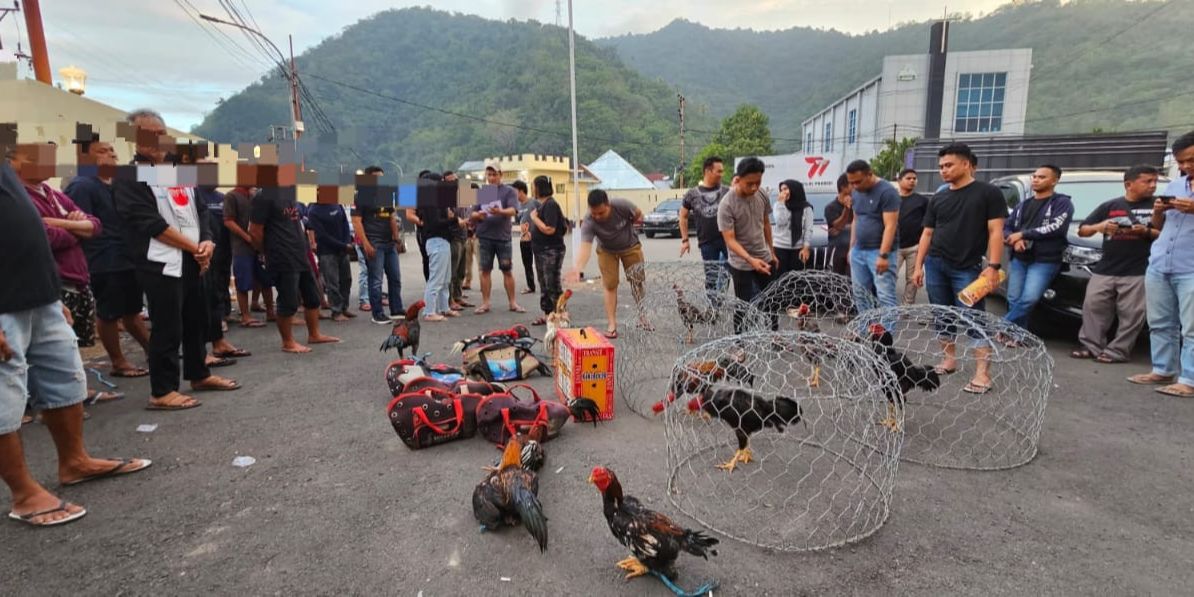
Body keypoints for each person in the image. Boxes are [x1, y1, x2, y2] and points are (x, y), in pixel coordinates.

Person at [0, 158, 151, 527]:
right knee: (4, 398)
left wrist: (50, 292)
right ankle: (24, 493)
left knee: (65, 380)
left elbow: (31, 232)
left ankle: (74, 462)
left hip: (42, 296)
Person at [113, 109, 239, 410]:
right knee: (168, 326)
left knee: (197, 320)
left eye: (161, 132)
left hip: (194, 259)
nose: (157, 139)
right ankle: (162, 390)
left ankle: (199, 373)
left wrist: (206, 241)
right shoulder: (129, 176)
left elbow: (202, 211)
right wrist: (192, 247)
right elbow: (149, 223)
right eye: (148, 133)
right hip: (160, 262)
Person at [12, 142, 122, 407]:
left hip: (74, 277)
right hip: (47, 281)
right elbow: (39, 237)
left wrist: (62, 224)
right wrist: (75, 229)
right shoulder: (16, 197)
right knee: (32, 350)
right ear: (13, 162)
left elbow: (94, 226)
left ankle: (71, 395)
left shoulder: (51, 193)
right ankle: (28, 403)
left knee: (65, 346)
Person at [911, 143, 1007, 395]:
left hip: (967, 268)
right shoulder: (939, 197)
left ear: (966, 164)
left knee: (974, 319)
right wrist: (918, 266)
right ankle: (949, 360)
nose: (944, 170)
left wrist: (994, 267)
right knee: (941, 314)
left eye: (949, 165)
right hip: (935, 264)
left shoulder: (988, 193)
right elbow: (927, 233)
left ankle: (982, 374)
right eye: (941, 166)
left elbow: (996, 231)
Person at [65, 138, 150, 379]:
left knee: (132, 311)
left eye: (112, 150)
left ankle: (153, 351)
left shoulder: (116, 184)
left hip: (127, 256)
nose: (111, 155)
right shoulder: (82, 186)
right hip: (103, 260)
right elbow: (80, 227)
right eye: (103, 151)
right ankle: (118, 362)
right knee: (109, 313)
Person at [1128, 133, 1194, 396]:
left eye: (1191, 160)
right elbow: (1157, 227)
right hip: (1161, 262)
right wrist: (1158, 211)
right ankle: (1162, 368)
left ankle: (1189, 379)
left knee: (1191, 327)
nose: (1187, 166)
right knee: (1160, 321)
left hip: (1191, 266)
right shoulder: (1175, 186)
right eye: (1182, 162)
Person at [1071, 165, 1158, 364]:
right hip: (1106, 267)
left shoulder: (1158, 206)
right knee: (1093, 307)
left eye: (1155, 181)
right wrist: (1100, 227)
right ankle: (1091, 346)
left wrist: (1143, 232)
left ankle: (1118, 351)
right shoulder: (1110, 206)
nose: (1152, 186)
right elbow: (1083, 230)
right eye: (1147, 181)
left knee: (1132, 314)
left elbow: (1165, 234)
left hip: (1139, 269)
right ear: (1129, 184)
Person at [249, 173, 340, 353]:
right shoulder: (264, 195)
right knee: (288, 300)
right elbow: (255, 230)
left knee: (313, 297)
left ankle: (314, 335)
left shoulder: (291, 193)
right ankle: (287, 342)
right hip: (281, 255)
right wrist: (265, 252)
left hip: (300, 253)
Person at [1001, 165, 1073, 330]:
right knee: (1013, 298)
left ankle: (1002, 327)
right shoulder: (1023, 205)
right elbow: (1007, 227)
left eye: (1042, 177)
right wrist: (1015, 240)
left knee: (1029, 298)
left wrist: (1023, 234)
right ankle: (1016, 335)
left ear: (1055, 181)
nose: (1036, 179)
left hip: (1045, 260)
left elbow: (1056, 227)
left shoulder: (1062, 203)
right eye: (1034, 176)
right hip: (1019, 257)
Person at [566, 189, 646, 338]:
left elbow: (638, 213)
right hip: (606, 251)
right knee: (610, 285)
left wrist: (629, 226)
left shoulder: (621, 205)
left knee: (637, 282)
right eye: (594, 213)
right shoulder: (589, 221)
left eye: (601, 213)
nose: (597, 216)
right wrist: (578, 268)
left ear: (608, 205)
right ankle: (612, 324)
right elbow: (585, 247)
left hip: (630, 246)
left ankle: (643, 317)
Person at [718, 157, 777, 332]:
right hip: (741, 263)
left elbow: (766, 223)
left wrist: (772, 252)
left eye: (757, 182)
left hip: (764, 257)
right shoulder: (727, 205)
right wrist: (750, 260)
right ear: (738, 178)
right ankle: (739, 342)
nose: (754, 187)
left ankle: (775, 335)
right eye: (749, 183)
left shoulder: (762, 194)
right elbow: (730, 240)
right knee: (742, 305)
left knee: (772, 300)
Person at [470, 163, 525, 314]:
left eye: (494, 174)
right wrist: (479, 214)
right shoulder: (484, 191)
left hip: (503, 237)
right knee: (485, 270)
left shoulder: (509, 191)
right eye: (489, 175)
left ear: (501, 175)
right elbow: (473, 213)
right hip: (485, 236)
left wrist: (500, 211)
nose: (492, 178)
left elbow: (514, 210)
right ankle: (485, 303)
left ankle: (513, 303)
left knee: (507, 270)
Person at [352, 166, 404, 324]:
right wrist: (366, 244)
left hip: (389, 243)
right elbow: (356, 222)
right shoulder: (360, 197)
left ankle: (396, 309)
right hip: (373, 242)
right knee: (376, 280)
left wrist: (396, 238)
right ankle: (377, 313)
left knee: (395, 278)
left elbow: (391, 217)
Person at [846, 160, 900, 310]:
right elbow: (856, 220)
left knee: (885, 295)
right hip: (859, 250)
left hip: (879, 252)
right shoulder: (857, 192)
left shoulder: (887, 192)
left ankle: (886, 333)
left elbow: (891, 225)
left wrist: (883, 255)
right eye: (851, 183)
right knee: (860, 294)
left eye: (858, 181)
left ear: (869, 174)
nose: (855, 186)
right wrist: (851, 248)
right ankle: (866, 330)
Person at [223, 183, 274, 327]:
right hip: (242, 248)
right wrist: (248, 238)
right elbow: (228, 221)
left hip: (259, 246)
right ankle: (246, 316)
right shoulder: (231, 196)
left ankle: (271, 312)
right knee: (243, 283)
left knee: (266, 279)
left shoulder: (256, 196)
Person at [411, 172, 458, 321]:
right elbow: (435, 223)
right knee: (436, 279)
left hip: (443, 240)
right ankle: (429, 311)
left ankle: (444, 307)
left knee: (445, 279)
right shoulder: (429, 202)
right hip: (435, 240)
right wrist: (454, 220)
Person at [680, 156, 730, 294]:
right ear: (708, 171)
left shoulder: (727, 191)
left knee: (727, 273)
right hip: (706, 243)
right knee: (711, 277)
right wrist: (685, 240)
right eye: (718, 171)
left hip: (728, 240)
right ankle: (713, 306)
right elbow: (683, 216)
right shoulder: (692, 194)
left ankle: (721, 300)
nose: (722, 175)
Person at [307, 186, 355, 321]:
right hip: (327, 252)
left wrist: (347, 242)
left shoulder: (336, 204)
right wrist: (342, 245)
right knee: (332, 282)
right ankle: (336, 311)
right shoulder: (313, 211)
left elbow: (345, 224)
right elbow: (322, 235)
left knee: (346, 280)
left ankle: (344, 307)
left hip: (343, 250)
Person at [528, 175, 567, 327]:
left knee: (552, 284)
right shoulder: (541, 205)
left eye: (533, 186)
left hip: (551, 251)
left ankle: (561, 315)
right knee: (544, 284)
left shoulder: (550, 204)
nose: (532, 189)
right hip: (540, 250)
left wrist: (534, 219)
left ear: (539, 187)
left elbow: (550, 229)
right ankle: (548, 315)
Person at [894, 169, 928, 305]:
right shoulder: (892, 199)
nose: (912, 181)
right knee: (889, 277)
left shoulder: (922, 201)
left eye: (914, 178)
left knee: (912, 279)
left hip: (915, 246)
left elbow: (927, 225)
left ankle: (907, 307)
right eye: (908, 178)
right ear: (899, 180)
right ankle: (886, 304)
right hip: (894, 246)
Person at [772, 178, 813, 278]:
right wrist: (782, 204)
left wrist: (806, 247)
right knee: (779, 279)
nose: (783, 192)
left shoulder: (806, 208)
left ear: (794, 189)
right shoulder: (778, 205)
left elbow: (808, 229)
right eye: (781, 190)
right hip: (779, 247)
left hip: (797, 248)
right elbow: (781, 221)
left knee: (796, 279)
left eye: (786, 189)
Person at [824, 173, 853, 276]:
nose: (855, 187)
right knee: (837, 282)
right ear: (843, 187)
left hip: (853, 250)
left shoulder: (858, 205)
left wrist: (847, 228)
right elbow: (838, 225)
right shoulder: (830, 207)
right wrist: (846, 209)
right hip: (837, 252)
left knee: (852, 283)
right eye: (852, 184)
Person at [514, 179, 539, 295]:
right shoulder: (517, 206)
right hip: (524, 239)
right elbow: (518, 220)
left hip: (536, 238)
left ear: (521, 191)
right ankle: (531, 286)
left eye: (514, 192)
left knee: (540, 263)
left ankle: (545, 285)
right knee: (527, 263)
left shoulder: (534, 203)